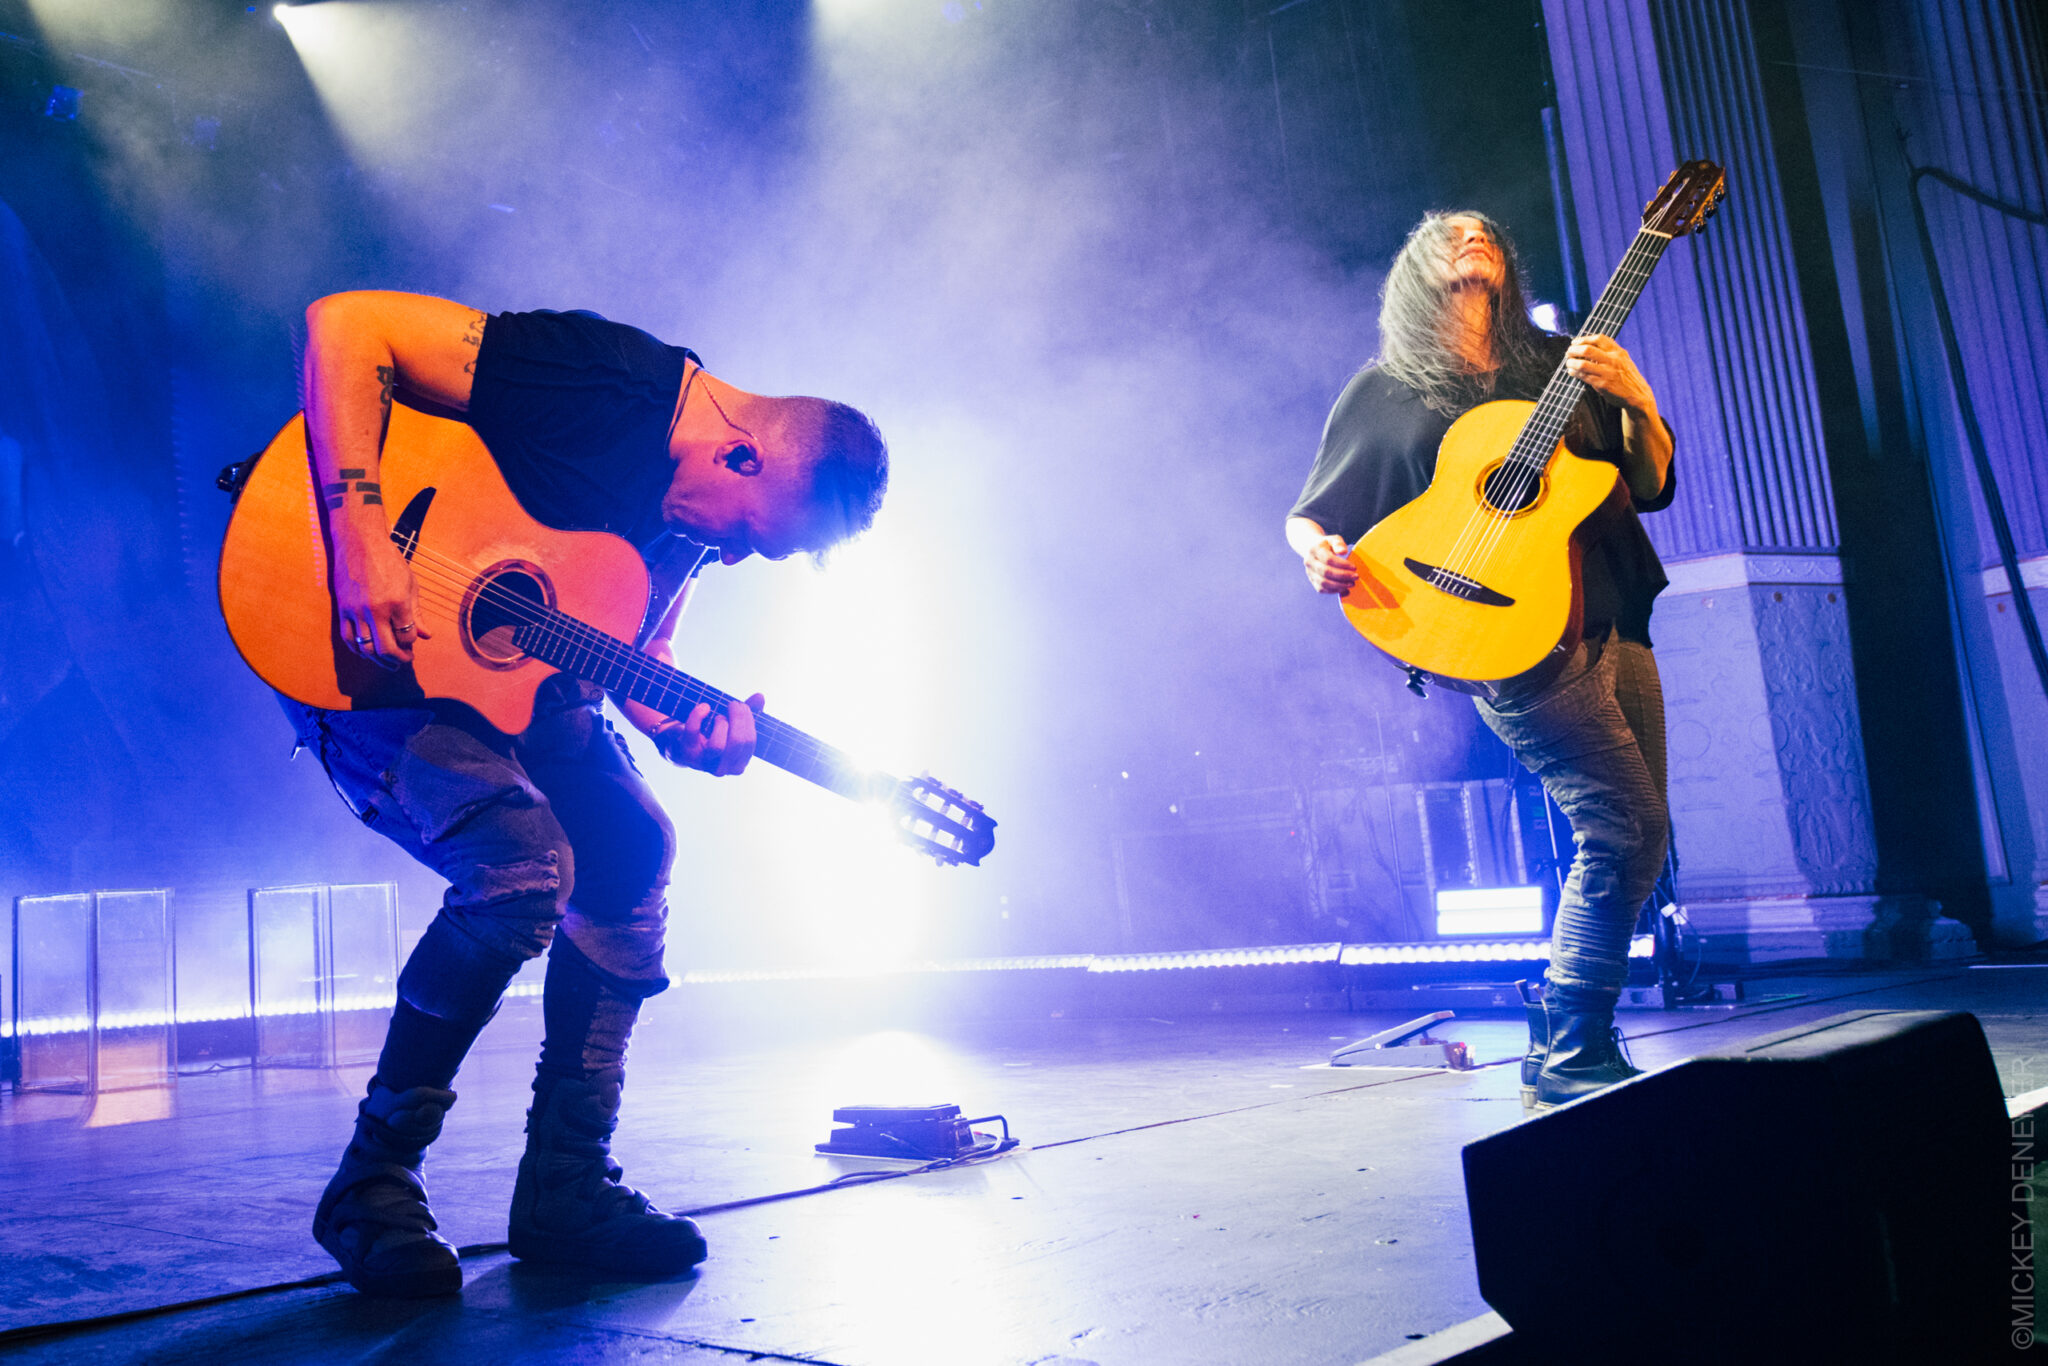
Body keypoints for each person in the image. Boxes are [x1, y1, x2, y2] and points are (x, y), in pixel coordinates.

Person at [284, 290, 887, 1296]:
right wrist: (359, 543)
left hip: (507, 686)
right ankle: (372, 1178)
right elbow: (345, 326)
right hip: (357, 639)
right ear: (745, 456)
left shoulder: (690, 523)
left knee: (631, 850)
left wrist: (683, 728)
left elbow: (633, 651)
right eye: (750, 533)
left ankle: (564, 1183)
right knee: (523, 861)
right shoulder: (603, 381)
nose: (735, 554)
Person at [1285, 213, 1676, 1110]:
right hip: (1505, 637)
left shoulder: (1562, 361)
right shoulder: (1385, 389)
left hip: (1614, 619)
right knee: (1624, 828)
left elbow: (1648, 481)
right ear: (1415, 265)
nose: (1469, 237)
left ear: (1505, 264)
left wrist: (1639, 402)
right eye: (1447, 233)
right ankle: (1575, 1045)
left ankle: (1560, 1037)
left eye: (1483, 232)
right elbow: (1310, 511)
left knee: (1640, 836)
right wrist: (1314, 552)